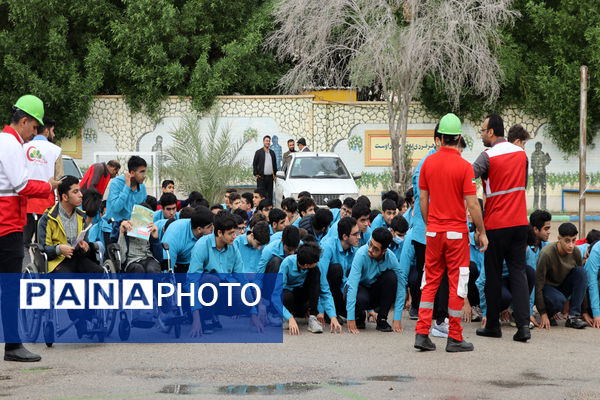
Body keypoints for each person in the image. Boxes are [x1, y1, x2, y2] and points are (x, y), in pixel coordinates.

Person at [414, 113, 487, 353]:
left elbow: (423, 199)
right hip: (456, 235)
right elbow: (473, 204)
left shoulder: (428, 164)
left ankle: (422, 334)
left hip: (433, 232)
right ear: (457, 138)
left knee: (430, 282)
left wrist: (430, 224)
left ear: (440, 138)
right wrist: (481, 231)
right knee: (458, 284)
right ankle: (454, 337)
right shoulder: (465, 167)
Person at [0, 95, 60, 362]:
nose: (35, 134)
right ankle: (13, 346)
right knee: (11, 287)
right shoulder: (11, 144)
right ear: (23, 121)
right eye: (35, 128)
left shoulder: (7, 142)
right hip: (7, 225)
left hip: (9, 222)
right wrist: (48, 186)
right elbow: (22, 185)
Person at [473, 113, 531, 342]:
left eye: (483, 130)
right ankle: (524, 327)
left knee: (493, 275)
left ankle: (493, 326)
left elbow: (469, 175)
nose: (481, 134)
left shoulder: (488, 156)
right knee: (518, 273)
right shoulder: (521, 154)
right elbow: (523, 185)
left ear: (491, 132)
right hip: (519, 223)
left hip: (496, 225)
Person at [188, 212, 264, 335]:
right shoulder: (202, 245)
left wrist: (253, 313)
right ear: (219, 233)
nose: (235, 236)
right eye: (230, 233)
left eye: (235, 232)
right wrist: (195, 319)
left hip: (223, 287)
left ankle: (213, 313)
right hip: (204, 288)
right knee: (211, 281)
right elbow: (192, 282)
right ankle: (204, 317)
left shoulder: (233, 247)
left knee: (247, 301)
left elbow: (242, 279)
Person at [38, 176, 104, 274]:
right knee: (68, 279)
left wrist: (86, 246)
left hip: (78, 258)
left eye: (80, 191)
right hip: (57, 262)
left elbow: (86, 245)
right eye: (75, 192)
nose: (81, 195)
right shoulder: (48, 218)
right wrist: (59, 249)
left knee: (99, 272)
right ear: (65, 197)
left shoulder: (81, 217)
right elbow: (43, 249)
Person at [275, 242, 342, 335]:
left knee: (316, 272)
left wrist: (333, 317)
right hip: (289, 297)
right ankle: (286, 316)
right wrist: (289, 318)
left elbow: (325, 291)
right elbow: (276, 296)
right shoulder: (287, 263)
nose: (318, 262)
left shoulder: (315, 267)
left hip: (303, 298)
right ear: (306, 265)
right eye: (315, 262)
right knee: (286, 296)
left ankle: (312, 317)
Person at [346, 228, 405, 334]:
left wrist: (397, 317)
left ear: (384, 251)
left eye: (375, 249)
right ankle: (358, 315)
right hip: (359, 290)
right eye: (370, 244)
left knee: (391, 277)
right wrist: (350, 318)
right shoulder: (361, 254)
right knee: (361, 298)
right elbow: (352, 286)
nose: (370, 249)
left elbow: (401, 285)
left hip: (373, 292)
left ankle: (382, 319)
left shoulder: (391, 258)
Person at [535, 223, 587, 329]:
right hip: (547, 290)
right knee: (558, 300)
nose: (571, 245)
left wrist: (585, 311)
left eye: (573, 240)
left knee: (581, 272)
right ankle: (550, 313)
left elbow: (581, 282)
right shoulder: (547, 253)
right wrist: (543, 313)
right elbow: (538, 285)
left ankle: (573, 317)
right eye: (567, 240)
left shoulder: (575, 252)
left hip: (562, 288)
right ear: (559, 239)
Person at [23, 116, 63, 245]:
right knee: (43, 244)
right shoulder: (56, 150)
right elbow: (58, 179)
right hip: (46, 205)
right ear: (46, 131)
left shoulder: (23, 147)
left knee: (24, 243)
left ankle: (24, 265)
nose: (54, 134)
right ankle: (39, 265)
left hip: (25, 204)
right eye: (53, 130)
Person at [317, 217, 360, 320]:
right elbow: (320, 280)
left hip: (341, 289)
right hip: (326, 291)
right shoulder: (328, 247)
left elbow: (352, 279)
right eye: (355, 234)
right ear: (345, 236)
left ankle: (338, 309)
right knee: (337, 269)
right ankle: (329, 312)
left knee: (360, 316)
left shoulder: (355, 249)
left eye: (359, 233)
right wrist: (320, 310)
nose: (359, 237)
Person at [161, 207, 214, 273]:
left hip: (198, 263)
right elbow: (167, 267)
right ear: (199, 229)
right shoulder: (175, 235)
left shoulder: (209, 231)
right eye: (210, 228)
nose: (213, 229)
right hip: (178, 265)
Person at [104, 155, 147, 226]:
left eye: (145, 172)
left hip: (131, 229)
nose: (144, 175)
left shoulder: (142, 187)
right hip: (112, 228)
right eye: (142, 172)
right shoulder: (116, 183)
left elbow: (142, 212)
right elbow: (116, 208)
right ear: (132, 173)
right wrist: (127, 187)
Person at [252, 135, 277, 201]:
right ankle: (261, 209)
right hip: (261, 178)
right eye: (266, 141)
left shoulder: (272, 153)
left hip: (270, 178)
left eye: (269, 141)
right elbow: (254, 164)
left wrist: (275, 176)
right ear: (263, 142)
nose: (268, 142)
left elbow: (274, 165)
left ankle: (269, 209)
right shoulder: (258, 152)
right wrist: (256, 174)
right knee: (261, 195)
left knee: (269, 195)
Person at [531, 141, 551, 210]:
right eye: (537, 147)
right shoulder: (534, 155)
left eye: (539, 147)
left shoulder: (542, 154)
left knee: (543, 191)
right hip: (537, 174)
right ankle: (536, 207)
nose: (538, 148)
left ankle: (543, 207)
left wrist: (548, 157)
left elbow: (547, 162)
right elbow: (532, 165)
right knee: (537, 191)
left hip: (541, 174)